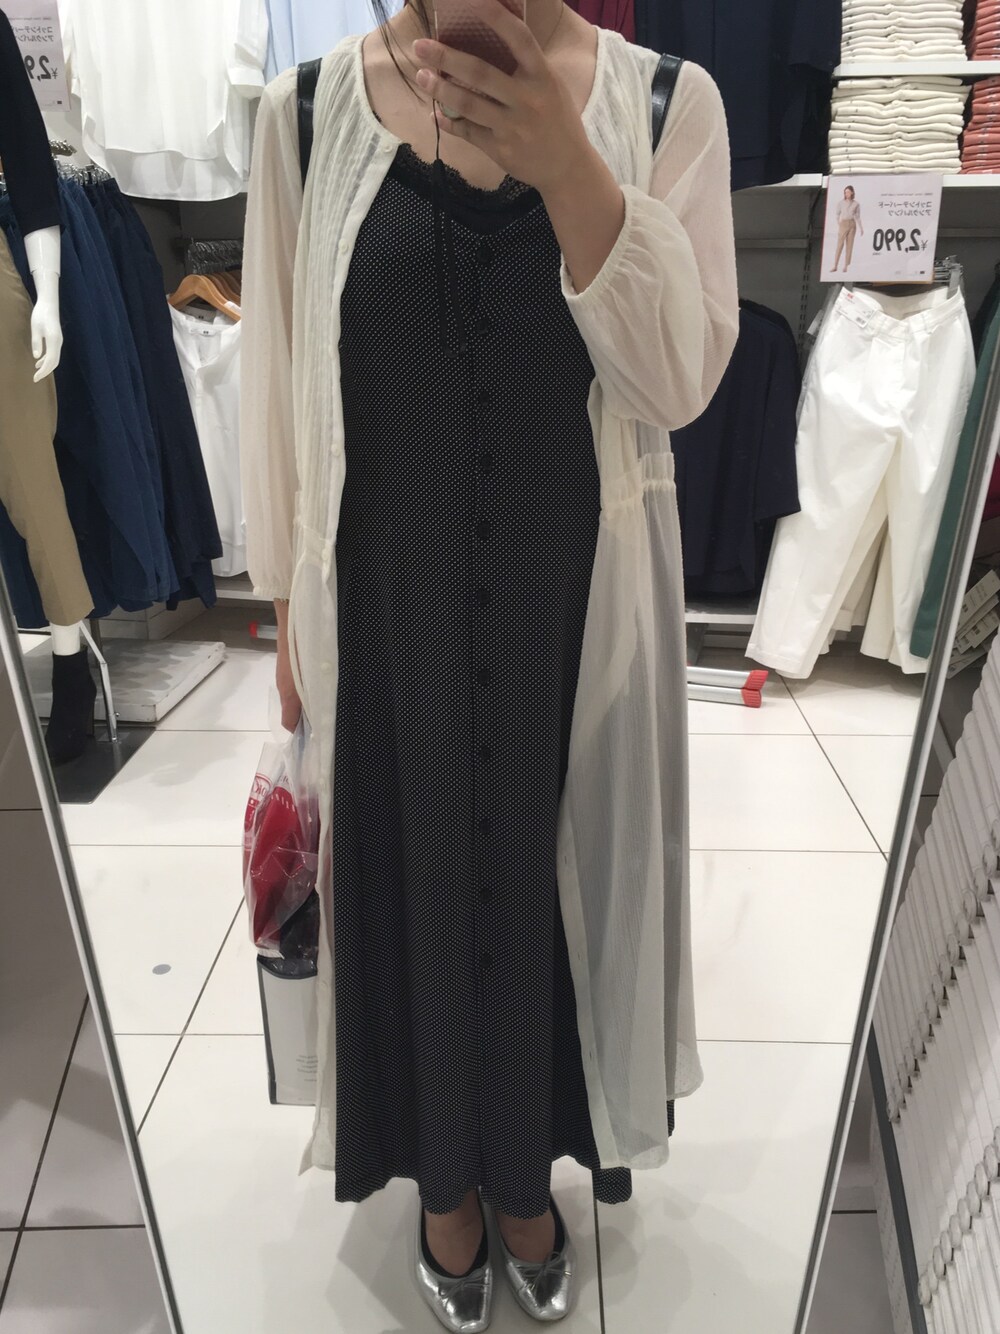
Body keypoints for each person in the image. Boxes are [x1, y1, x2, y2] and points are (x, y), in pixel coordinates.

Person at [240, 0, 738, 1327]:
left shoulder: (664, 106)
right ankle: (444, 1181)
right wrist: (284, 602)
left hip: (573, 613)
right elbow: (282, 383)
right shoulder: (306, 119)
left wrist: (573, 168)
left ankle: (524, 1173)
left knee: (537, 895)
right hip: (385, 610)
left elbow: (678, 382)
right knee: (411, 888)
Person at [834, 183, 863, 271]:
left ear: (852, 193)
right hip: (843, 223)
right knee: (840, 245)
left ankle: (846, 266)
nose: (846, 194)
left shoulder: (856, 204)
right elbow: (837, 214)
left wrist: (861, 228)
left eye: (848, 192)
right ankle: (835, 265)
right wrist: (839, 224)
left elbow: (858, 217)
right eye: (845, 192)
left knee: (849, 246)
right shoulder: (841, 203)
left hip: (852, 224)